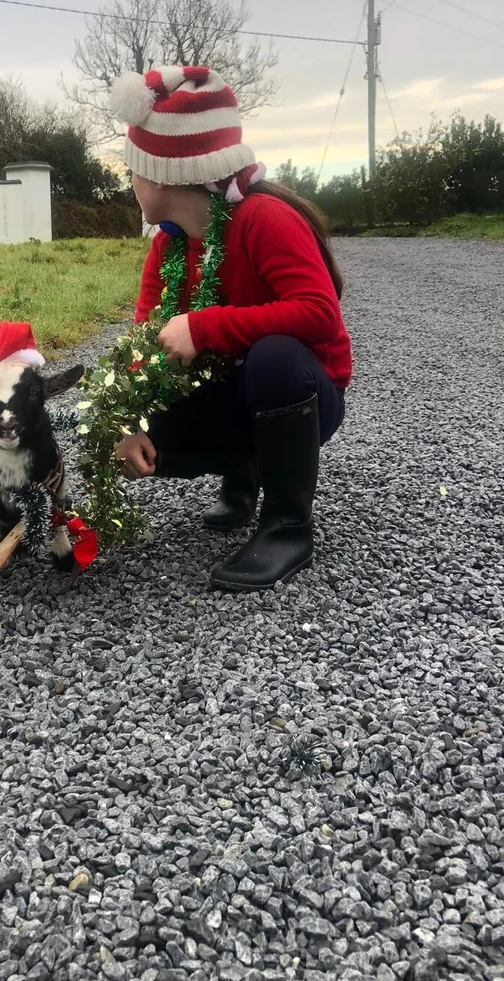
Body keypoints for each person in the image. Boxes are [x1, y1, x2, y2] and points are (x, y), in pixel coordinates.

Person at [109, 64, 352, 592]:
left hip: (305, 395)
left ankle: (288, 527)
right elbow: (143, 337)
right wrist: (127, 420)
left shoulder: (264, 218)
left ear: (163, 174)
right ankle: (244, 472)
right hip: (236, 389)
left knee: (274, 356)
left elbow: (320, 312)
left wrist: (204, 327)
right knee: (148, 426)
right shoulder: (168, 243)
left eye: (134, 172)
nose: (132, 184)